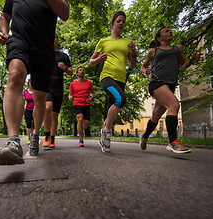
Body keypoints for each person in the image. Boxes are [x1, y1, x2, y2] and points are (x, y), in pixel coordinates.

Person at [0, 0, 69, 165]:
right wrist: (4, 32)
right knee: (15, 75)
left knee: (40, 99)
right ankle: (13, 141)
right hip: (19, 40)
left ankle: (35, 135)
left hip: (44, 49)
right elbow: (5, 16)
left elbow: (65, 14)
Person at [140, 27, 200, 154]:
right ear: (159, 38)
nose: (170, 32)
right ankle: (172, 141)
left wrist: (191, 61)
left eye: (170, 30)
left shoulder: (178, 48)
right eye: (166, 31)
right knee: (174, 104)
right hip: (156, 83)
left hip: (170, 85)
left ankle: (144, 136)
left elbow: (183, 65)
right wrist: (145, 70)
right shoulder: (153, 51)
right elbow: (143, 66)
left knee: (156, 116)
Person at [89, 10, 137, 153]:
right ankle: (106, 131)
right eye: (118, 21)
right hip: (106, 78)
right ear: (112, 24)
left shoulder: (128, 42)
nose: (121, 23)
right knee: (120, 99)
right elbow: (91, 62)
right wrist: (98, 60)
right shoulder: (103, 41)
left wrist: (133, 53)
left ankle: (104, 141)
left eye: (123, 21)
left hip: (120, 80)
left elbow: (132, 65)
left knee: (113, 109)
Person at [43, 33, 73, 148]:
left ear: (57, 40)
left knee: (55, 115)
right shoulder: (45, 54)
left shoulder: (63, 56)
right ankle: (46, 135)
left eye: (54, 37)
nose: (52, 39)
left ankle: (52, 138)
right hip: (47, 85)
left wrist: (65, 68)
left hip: (58, 86)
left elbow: (71, 73)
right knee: (47, 107)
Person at [69, 66, 95, 147]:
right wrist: (70, 97)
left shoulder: (89, 83)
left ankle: (80, 130)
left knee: (86, 123)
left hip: (86, 104)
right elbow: (70, 94)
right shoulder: (73, 84)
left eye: (83, 70)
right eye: (80, 70)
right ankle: (81, 139)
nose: (82, 71)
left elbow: (93, 92)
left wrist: (91, 98)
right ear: (77, 73)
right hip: (77, 103)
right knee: (80, 119)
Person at [23, 79, 34, 145]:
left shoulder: (36, 92)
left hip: (35, 110)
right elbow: (23, 102)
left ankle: (35, 138)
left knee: (35, 125)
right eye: (29, 83)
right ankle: (29, 139)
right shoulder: (25, 93)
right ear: (28, 84)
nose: (31, 84)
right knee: (28, 124)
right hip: (27, 110)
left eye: (32, 83)